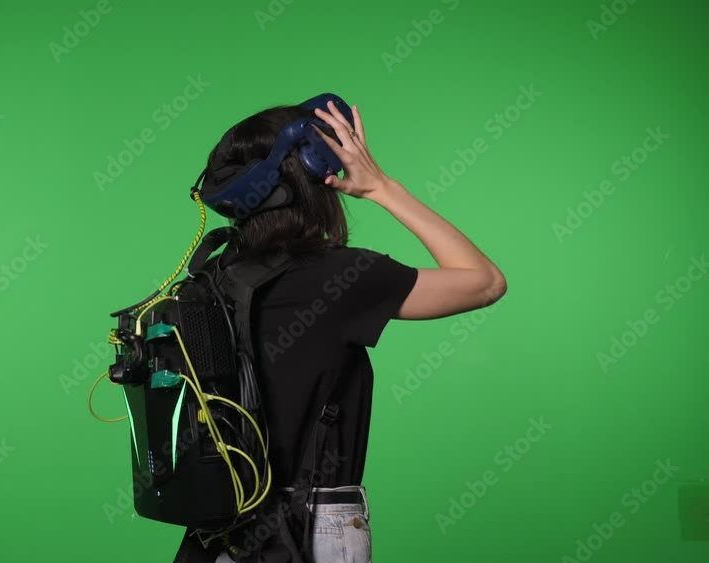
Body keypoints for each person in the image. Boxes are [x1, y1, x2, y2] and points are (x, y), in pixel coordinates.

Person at [173, 99, 506, 563]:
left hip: (218, 530)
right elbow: (485, 282)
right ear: (315, 172)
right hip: (309, 528)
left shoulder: (209, 281)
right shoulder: (340, 279)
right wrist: (381, 187)